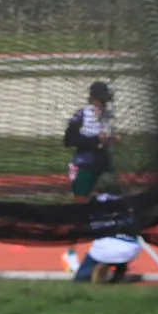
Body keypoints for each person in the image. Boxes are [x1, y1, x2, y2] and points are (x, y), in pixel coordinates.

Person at [62, 82, 115, 271]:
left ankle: (107, 250)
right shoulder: (82, 115)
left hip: (103, 164)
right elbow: (68, 140)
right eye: (100, 102)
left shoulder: (109, 115)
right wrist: (94, 141)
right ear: (93, 99)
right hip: (85, 164)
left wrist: (110, 141)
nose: (103, 106)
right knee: (80, 208)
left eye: (105, 102)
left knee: (110, 202)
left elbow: (106, 137)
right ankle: (70, 253)